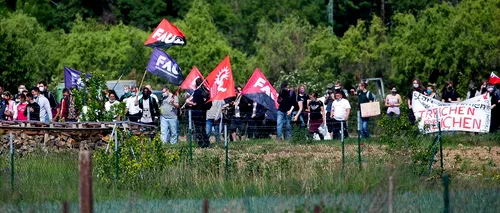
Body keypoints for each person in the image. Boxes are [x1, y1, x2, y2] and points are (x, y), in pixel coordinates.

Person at [187, 78, 211, 147]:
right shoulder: (206, 91)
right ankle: (206, 142)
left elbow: (195, 103)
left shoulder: (197, 91)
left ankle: (201, 143)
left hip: (197, 112)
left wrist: (188, 102)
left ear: (196, 84)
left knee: (198, 128)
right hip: (203, 112)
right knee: (203, 128)